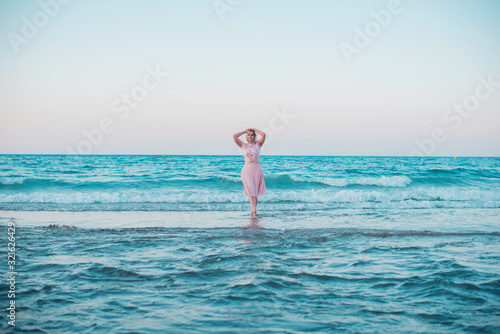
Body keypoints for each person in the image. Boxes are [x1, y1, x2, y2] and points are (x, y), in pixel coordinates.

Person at [233, 128, 267, 216]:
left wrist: (254, 129)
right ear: (246, 137)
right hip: (247, 169)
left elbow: (263, 135)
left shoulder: (258, 145)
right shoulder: (243, 145)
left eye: (252, 135)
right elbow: (235, 136)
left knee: (255, 190)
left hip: (257, 169)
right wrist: (245, 131)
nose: (250, 136)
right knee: (250, 188)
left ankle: (254, 211)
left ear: (254, 136)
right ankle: (254, 209)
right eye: (249, 135)